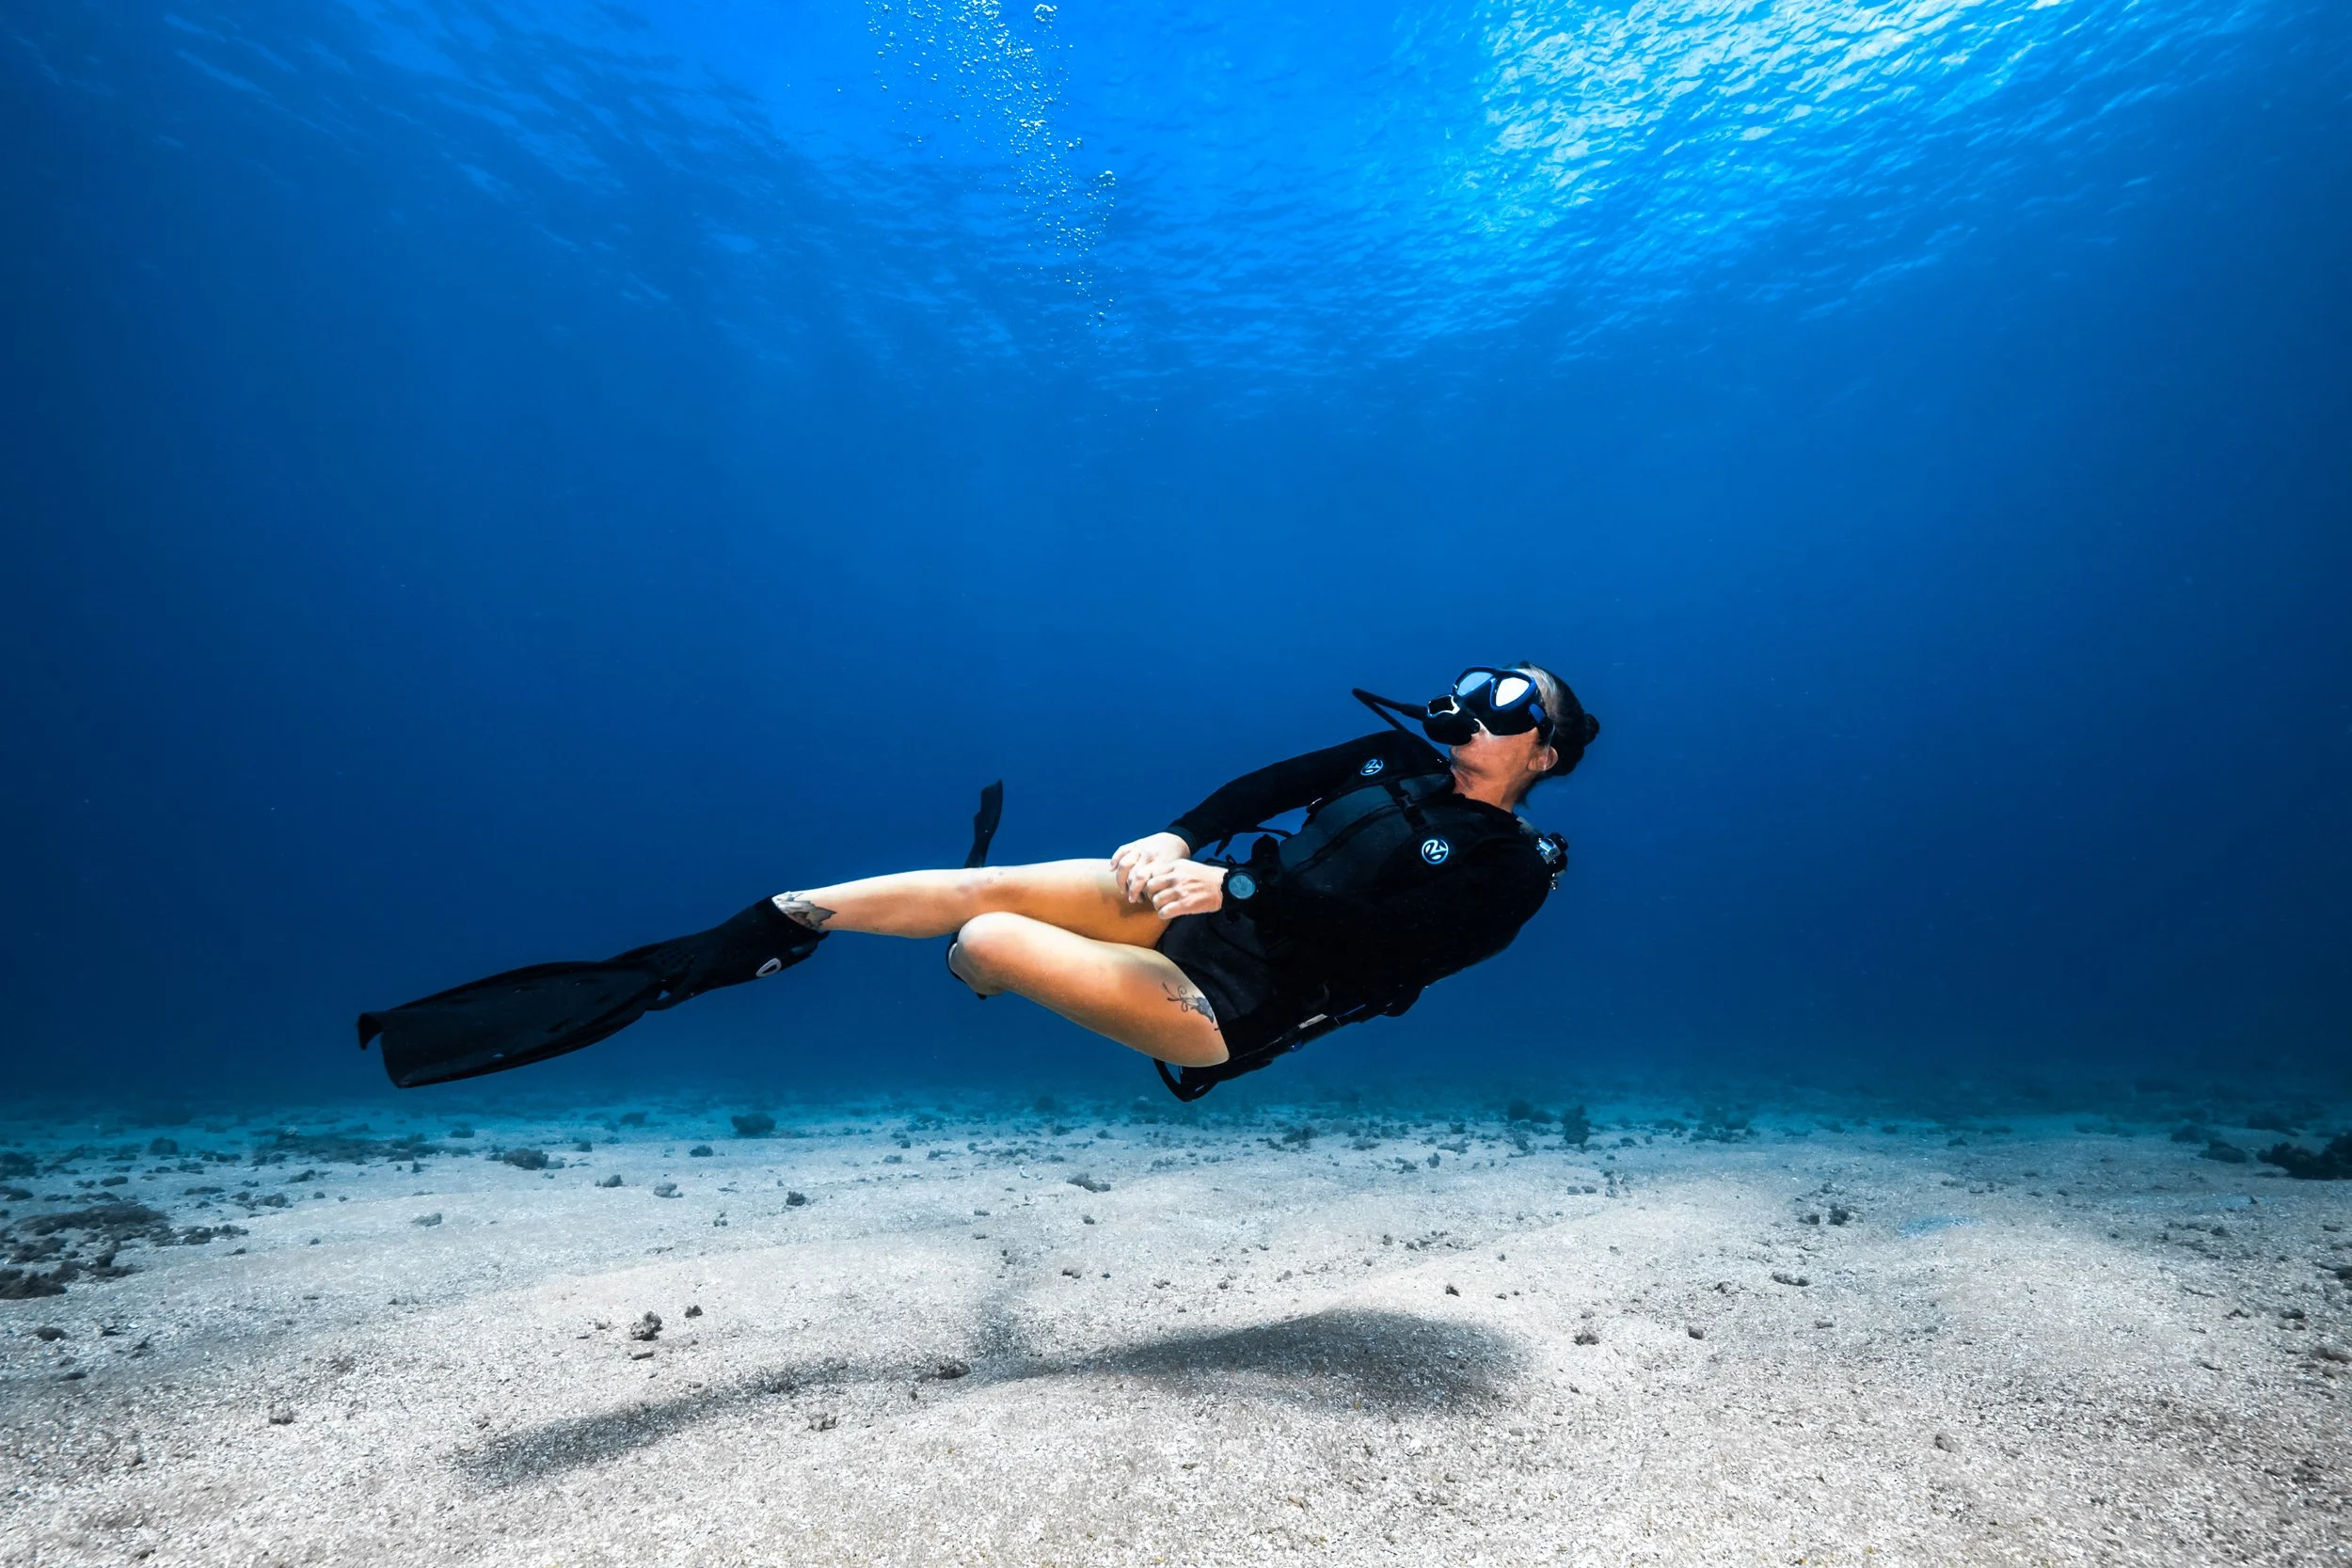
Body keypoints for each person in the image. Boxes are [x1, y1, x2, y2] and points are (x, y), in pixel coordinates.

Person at [358, 665, 1599, 1100]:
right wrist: (1178, 838)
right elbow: (1261, 786)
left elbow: (1398, 957)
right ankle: (732, 943)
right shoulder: (1392, 755)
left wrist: (1242, 898)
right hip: (1207, 898)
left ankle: (980, 968)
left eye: (1513, 705)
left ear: (1542, 754)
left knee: (992, 937)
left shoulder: (1508, 871)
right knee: (979, 886)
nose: (1478, 704)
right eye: (1484, 681)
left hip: (1231, 1005)